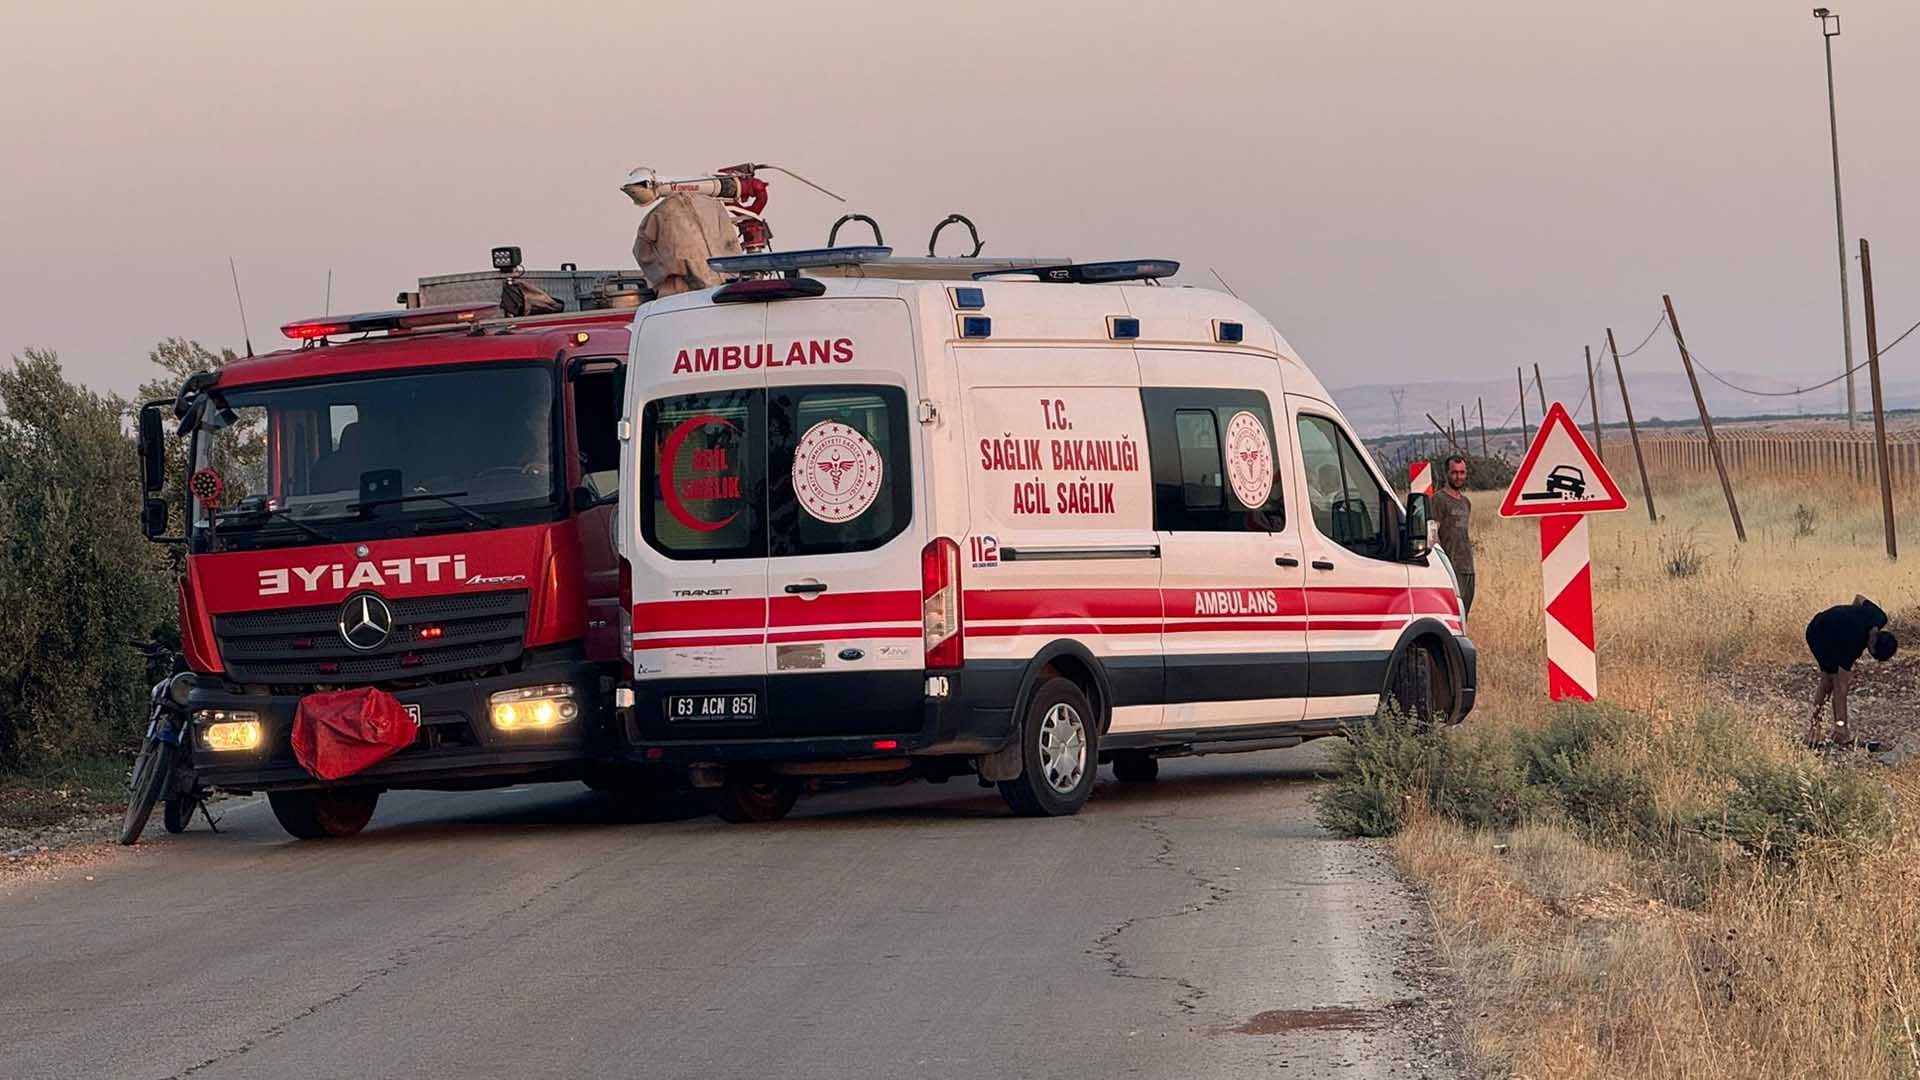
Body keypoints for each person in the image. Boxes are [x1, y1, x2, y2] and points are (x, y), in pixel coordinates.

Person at [1804, 595, 1897, 749]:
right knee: (1829, 680)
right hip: (1818, 632)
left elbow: (1859, 599)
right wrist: (1842, 724)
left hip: (1833, 627)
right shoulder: (1853, 644)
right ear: (1872, 646)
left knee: (1833, 679)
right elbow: (1841, 688)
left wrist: (1849, 615)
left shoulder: (1879, 617)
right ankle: (1823, 729)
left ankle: (1832, 729)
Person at [1431, 455, 1475, 615]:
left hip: (1467, 566)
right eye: (1455, 473)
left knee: (1464, 614)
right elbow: (1432, 534)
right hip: (1450, 566)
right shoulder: (1439, 499)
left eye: (1462, 472)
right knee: (1452, 614)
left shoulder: (1465, 502)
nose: (1459, 477)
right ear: (1447, 473)